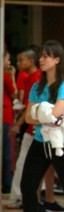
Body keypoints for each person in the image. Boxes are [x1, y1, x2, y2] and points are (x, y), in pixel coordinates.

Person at [21, 40, 64, 212]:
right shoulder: (36, 87)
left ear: (57, 60)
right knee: (28, 186)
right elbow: (28, 117)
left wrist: (40, 112)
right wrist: (45, 114)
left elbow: (56, 113)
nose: (41, 59)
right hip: (40, 141)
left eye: (46, 56)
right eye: (40, 56)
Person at [7, 46, 64, 212]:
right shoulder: (35, 82)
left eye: (21, 60)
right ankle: (37, 200)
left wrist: (22, 123)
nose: (19, 64)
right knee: (33, 173)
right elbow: (29, 112)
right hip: (38, 133)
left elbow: (33, 109)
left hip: (44, 134)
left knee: (62, 180)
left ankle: (35, 199)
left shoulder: (45, 80)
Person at [2, 49, 17, 195]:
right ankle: (7, 183)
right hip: (5, 116)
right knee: (7, 151)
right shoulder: (5, 76)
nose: (9, 62)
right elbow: (14, 93)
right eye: (7, 59)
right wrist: (12, 76)